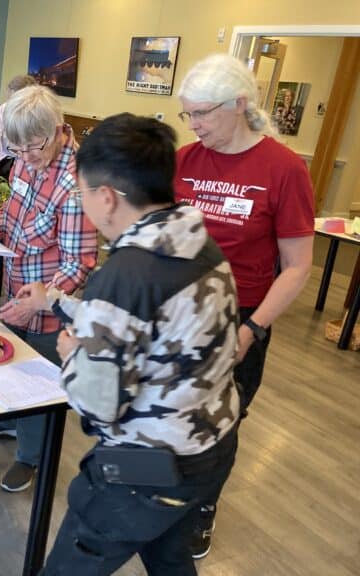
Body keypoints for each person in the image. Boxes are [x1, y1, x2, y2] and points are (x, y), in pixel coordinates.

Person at [18, 113, 240, 575]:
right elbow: (156, 329)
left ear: (106, 198)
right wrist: (56, 300)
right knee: (169, 561)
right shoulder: (199, 246)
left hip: (148, 468)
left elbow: (98, 403)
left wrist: (71, 356)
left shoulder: (124, 275)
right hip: (209, 450)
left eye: (82, 193)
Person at [174, 53, 314, 559]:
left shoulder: (283, 169)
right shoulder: (185, 161)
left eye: (203, 114)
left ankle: (202, 507)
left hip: (240, 319)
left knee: (219, 424)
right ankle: (167, 500)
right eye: (187, 114)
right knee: (173, 415)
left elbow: (297, 266)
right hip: (179, 314)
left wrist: (252, 327)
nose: (194, 125)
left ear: (239, 104)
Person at [0, 86, 98, 492]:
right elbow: (16, 207)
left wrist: (43, 300)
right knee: (11, 360)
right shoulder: (26, 161)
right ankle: (9, 421)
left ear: (60, 132)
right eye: (17, 149)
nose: (24, 159)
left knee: (39, 379)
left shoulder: (76, 186)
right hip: (18, 284)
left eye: (32, 149)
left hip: (51, 301)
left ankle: (31, 457)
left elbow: (80, 263)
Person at [0, 74, 37, 296]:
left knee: (24, 221)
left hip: (30, 164)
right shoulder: (2, 112)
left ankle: (20, 275)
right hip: (4, 164)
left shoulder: (37, 115)